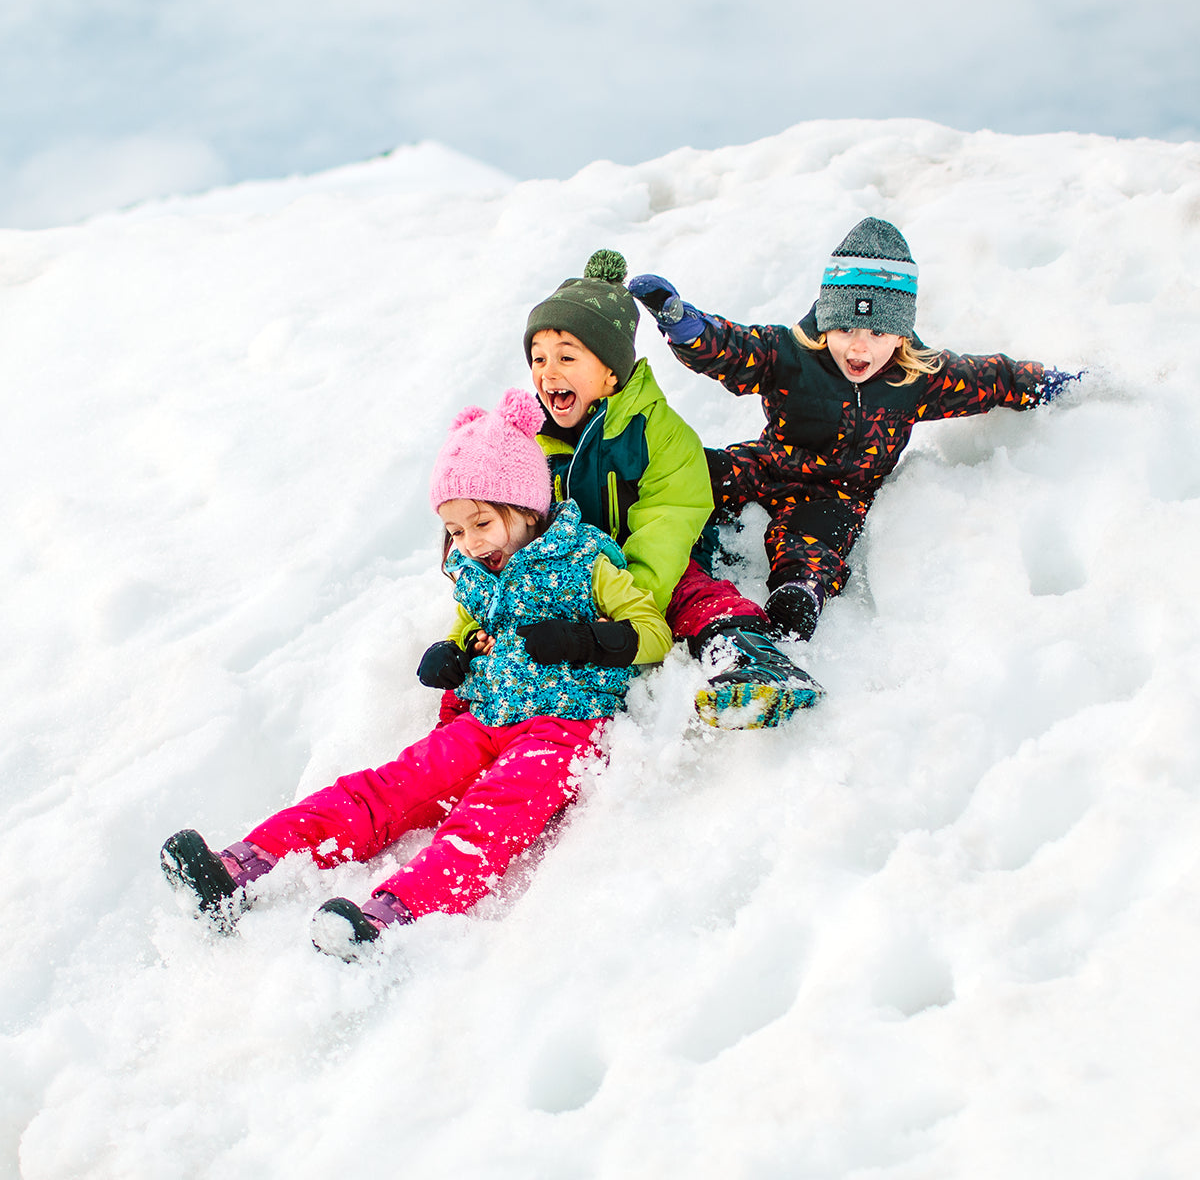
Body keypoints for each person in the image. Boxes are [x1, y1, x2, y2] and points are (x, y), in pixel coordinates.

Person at [161, 388, 673, 960]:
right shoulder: (479, 572)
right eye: (455, 532)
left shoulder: (587, 559)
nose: (470, 544)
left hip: (562, 728)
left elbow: (653, 632)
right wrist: (453, 654)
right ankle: (243, 865)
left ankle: (393, 917)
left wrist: (583, 638)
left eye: (481, 523)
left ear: (528, 508)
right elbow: (470, 629)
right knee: (388, 788)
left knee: (489, 820)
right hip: (485, 717)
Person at [628, 218, 1082, 639]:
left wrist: (1046, 385)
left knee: (817, 541)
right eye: (844, 327)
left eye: (877, 333)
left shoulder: (917, 380)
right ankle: (614, 514)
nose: (858, 346)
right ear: (825, 322)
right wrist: (685, 326)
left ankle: (799, 594)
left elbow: (991, 378)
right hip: (770, 465)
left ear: (901, 335)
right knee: (697, 471)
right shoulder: (790, 355)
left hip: (839, 493)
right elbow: (733, 349)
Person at [519, 248, 823, 729]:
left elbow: (669, 516)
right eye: (538, 358)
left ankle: (753, 661)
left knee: (696, 595)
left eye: (566, 357)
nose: (547, 371)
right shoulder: (533, 440)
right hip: (586, 568)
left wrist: (629, 602)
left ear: (611, 371)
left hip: (659, 564)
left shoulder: (658, 432)